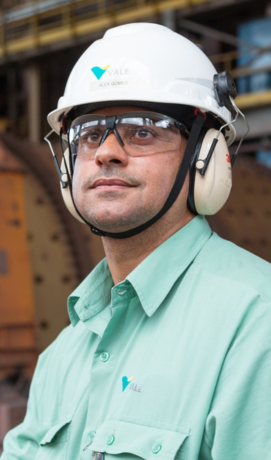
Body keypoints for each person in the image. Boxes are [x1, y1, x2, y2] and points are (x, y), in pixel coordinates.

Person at [2, 22, 271, 460]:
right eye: (89, 134)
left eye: (143, 130)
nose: (106, 151)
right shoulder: (63, 356)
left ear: (204, 158)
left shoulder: (257, 326)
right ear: (69, 170)